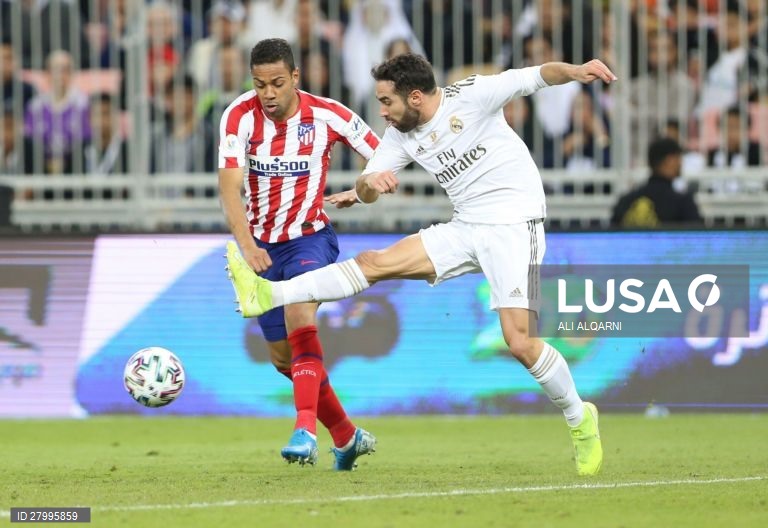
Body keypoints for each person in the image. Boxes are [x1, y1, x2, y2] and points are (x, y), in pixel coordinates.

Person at [226, 52, 617, 476]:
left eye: (386, 102)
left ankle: (580, 419)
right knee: (375, 262)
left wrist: (575, 72)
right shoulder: (399, 135)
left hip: (513, 223)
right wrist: (367, 186)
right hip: (465, 225)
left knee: (519, 342)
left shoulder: (473, 95)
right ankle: (269, 292)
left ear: (414, 97)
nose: (382, 113)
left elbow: (535, 76)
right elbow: (368, 182)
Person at [218, 38, 380, 470]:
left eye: (275, 83)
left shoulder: (328, 114)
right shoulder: (238, 116)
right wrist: (247, 244)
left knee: (300, 315)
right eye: (258, 85)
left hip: (310, 238)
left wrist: (363, 192)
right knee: (283, 360)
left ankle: (305, 429)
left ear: (295, 78)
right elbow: (229, 187)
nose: (267, 94)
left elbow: (384, 156)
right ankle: (346, 436)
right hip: (261, 248)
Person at [611, 137, 703, 227]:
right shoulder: (683, 203)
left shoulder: (625, 202)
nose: (681, 163)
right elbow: (696, 238)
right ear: (669, 160)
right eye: (678, 158)